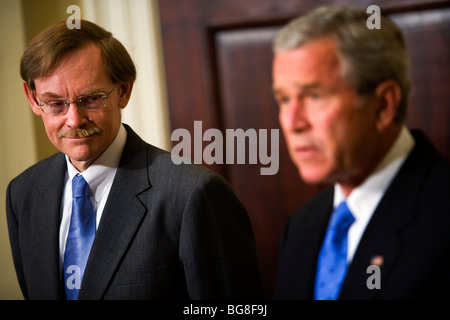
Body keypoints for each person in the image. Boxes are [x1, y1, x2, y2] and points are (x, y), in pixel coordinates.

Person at [6, 19, 265, 300]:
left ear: (124, 91)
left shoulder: (193, 194)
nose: (74, 120)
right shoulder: (23, 194)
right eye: (56, 103)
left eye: (91, 99)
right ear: (32, 99)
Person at [272, 6, 450, 299]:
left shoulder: (442, 217)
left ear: (383, 106)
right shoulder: (301, 226)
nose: (293, 123)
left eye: (314, 95)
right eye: (284, 98)